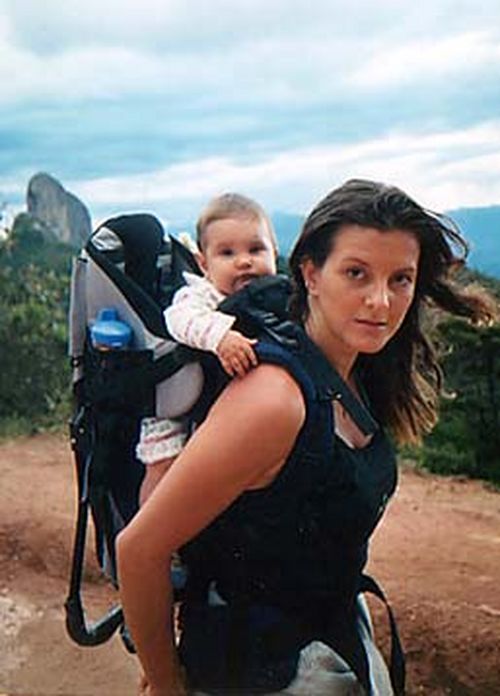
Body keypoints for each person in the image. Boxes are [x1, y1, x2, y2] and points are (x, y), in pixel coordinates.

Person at [117, 179, 495, 696]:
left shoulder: (353, 372)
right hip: (259, 667)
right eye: (356, 273)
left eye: (401, 279)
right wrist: (165, 685)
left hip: (330, 634)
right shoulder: (274, 401)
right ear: (310, 274)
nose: (381, 301)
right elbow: (139, 550)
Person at [137, 192, 278, 505]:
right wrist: (220, 337)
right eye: (227, 253)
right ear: (204, 264)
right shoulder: (201, 296)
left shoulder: (276, 297)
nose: (244, 261)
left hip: (227, 401)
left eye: (256, 249)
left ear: (274, 252)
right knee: (163, 464)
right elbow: (178, 320)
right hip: (177, 406)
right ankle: (146, 533)